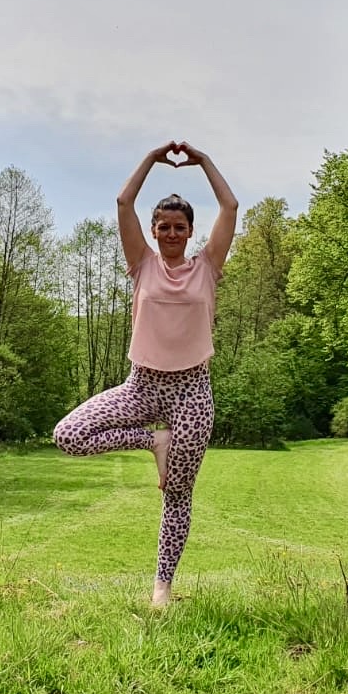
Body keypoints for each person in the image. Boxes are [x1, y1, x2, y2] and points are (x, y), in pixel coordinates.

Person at [52, 141, 238, 608]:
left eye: (179, 227)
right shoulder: (141, 265)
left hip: (192, 393)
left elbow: (230, 206)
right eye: (164, 227)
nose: (171, 233)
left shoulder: (208, 268)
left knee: (177, 492)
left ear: (190, 231)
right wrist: (153, 159)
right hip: (141, 387)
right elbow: (122, 202)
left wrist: (203, 162)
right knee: (68, 435)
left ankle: (162, 587)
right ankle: (152, 441)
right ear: (153, 232)